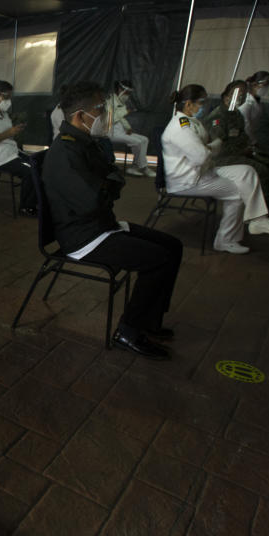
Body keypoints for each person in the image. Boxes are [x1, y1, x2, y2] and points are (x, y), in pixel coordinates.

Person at [44, 82, 183, 360]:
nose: (106, 114)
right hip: (84, 237)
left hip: (101, 225)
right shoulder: (66, 153)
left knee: (173, 246)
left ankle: (150, 321)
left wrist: (107, 186)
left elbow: (111, 182)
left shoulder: (87, 143)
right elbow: (95, 199)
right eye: (99, 109)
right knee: (157, 259)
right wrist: (108, 187)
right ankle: (128, 331)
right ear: (80, 116)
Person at [161, 84, 269, 255]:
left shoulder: (191, 121)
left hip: (203, 171)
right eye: (201, 102)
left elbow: (205, 150)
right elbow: (202, 156)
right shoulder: (180, 127)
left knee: (247, 171)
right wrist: (214, 146)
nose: (204, 106)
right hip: (188, 181)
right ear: (188, 104)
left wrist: (209, 148)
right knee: (237, 193)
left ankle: (258, 219)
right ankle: (225, 241)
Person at [206, 80, 269, 226]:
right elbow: (218, 148)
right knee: (261, 170)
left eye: (243, 95)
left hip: (238, 153)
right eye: (236, 94)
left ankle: (263, 202)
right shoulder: (218, 117)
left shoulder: (236, 115)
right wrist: (243, 151)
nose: (240, 98)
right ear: (226, 96)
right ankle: (265, 210)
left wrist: (251, 149)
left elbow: (243, 137)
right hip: (221, 159)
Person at [0, 80, 44, 217]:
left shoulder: (3, 112)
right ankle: (26, 207)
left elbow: (6, 133)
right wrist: (9, 133)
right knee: (30, 171)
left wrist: (15, 130)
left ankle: (37, 202)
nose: (9, 100)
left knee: (38, 165)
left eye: (10, 97)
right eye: (6, 97)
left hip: (10, 152)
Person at [106, 80, 155, 177]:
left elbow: (121, 119)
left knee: (145, 139)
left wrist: (128, 128)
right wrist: (126, 111)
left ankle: (135, 167)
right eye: (127, 93)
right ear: (120, 89)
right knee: (138, 142)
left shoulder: (120, 102)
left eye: (129, 94)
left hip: (121, 131)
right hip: (111, 132)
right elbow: (110, 119)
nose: (127, 96)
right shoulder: (110, 101)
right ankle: (142, 167)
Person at [238, 70, 269, 140]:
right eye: (265, 85)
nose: (266, 88)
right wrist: (254, 143)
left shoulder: (257, 101)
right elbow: (245, 127)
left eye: (268, 85)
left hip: (249, 138)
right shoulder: (246, 103)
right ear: (254, 85)